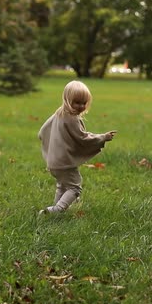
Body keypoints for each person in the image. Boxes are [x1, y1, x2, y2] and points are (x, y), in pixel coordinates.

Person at [38, 80, 117, 214]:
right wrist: (103, 137)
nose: (81, 106)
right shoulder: (72, 118)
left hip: (54, 161)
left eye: (84, 103)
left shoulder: (59, 113)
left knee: (62, 185)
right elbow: (82, 138)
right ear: (67, 99)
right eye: (77, 102)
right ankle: (57, 209)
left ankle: (54, 211)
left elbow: (42, 131)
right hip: (65, 163)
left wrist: (50, 143)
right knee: (75, 188)